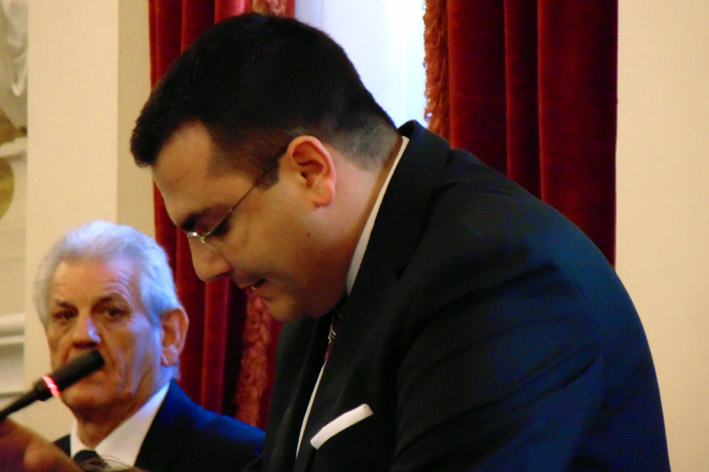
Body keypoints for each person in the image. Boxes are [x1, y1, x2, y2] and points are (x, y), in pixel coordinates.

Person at [0, 12, 670, 472]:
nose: (203, 268)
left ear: (310, 171)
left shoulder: (495, 275)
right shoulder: (323, 278)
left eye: (216, 225)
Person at [31, 220, 264, 471]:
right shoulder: (36, 466)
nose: (82, 336)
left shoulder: (248, 458)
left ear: (169, 335)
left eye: (111, 312)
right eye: (65, 316)